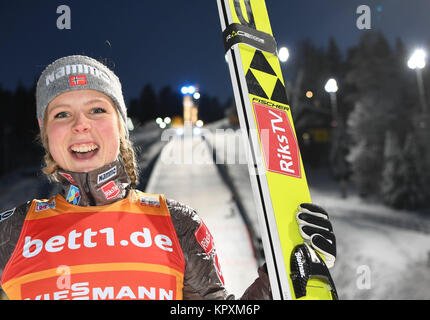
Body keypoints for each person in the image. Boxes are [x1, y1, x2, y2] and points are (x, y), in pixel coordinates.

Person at [0, 55, 336, 300]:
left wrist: (278, 282)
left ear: (120, 125)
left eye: (97, 109)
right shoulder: (12, 232)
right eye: (62, 114)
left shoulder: (175, 223)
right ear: (45, 132)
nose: (80, 125)